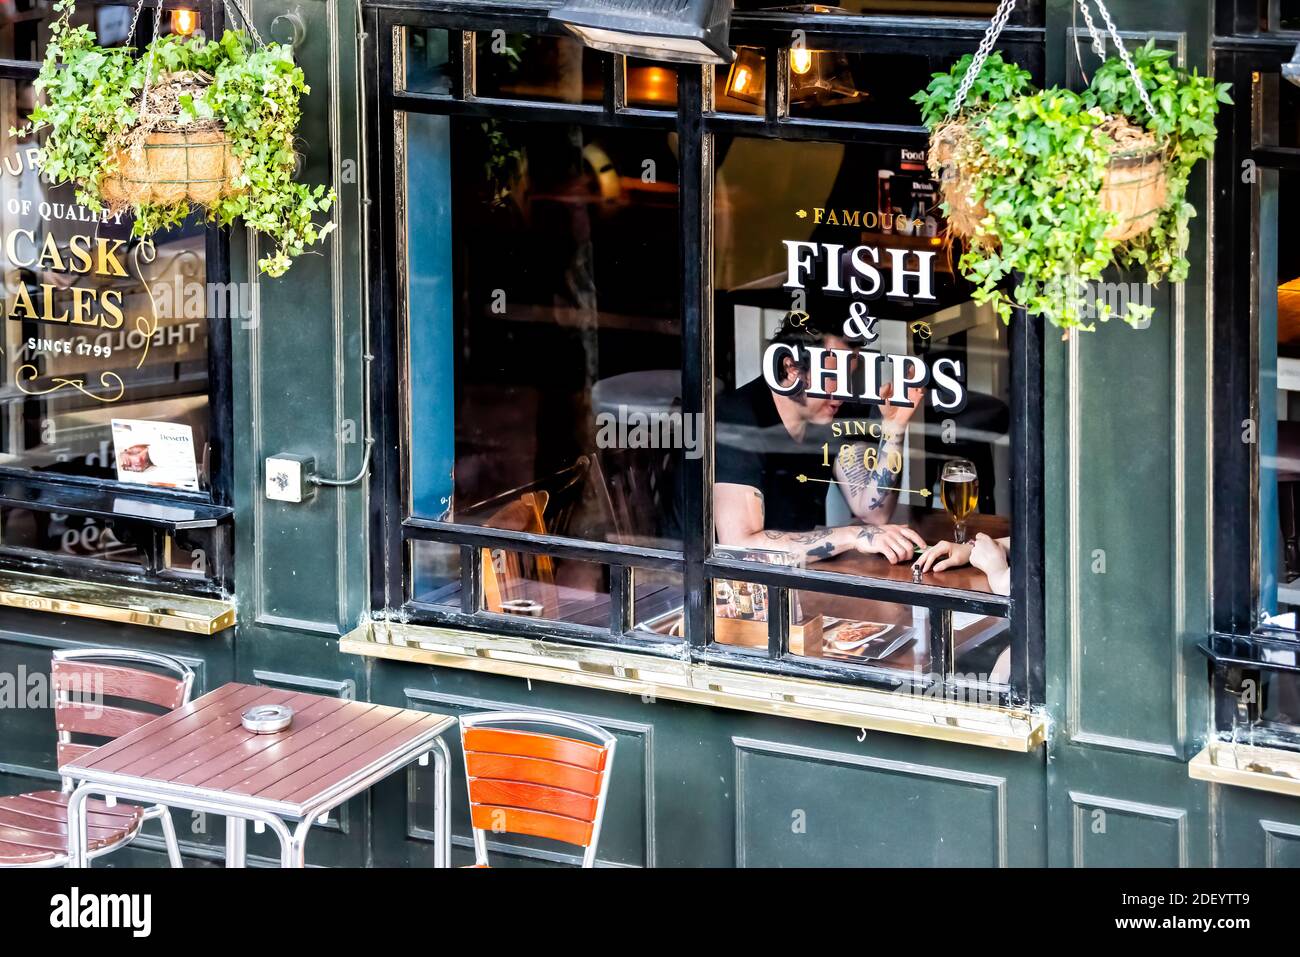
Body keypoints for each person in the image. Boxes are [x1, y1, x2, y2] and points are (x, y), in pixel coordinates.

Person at [714, 315, 927, 565]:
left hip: (791, 579)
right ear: (791, 368)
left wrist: (894, 429)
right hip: (701, 588)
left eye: (848, 376)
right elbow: (740, 547)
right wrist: (853, 536)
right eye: (832, 376)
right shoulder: (739, 420)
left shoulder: (832, 409)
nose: (842, 390)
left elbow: (873, 512)